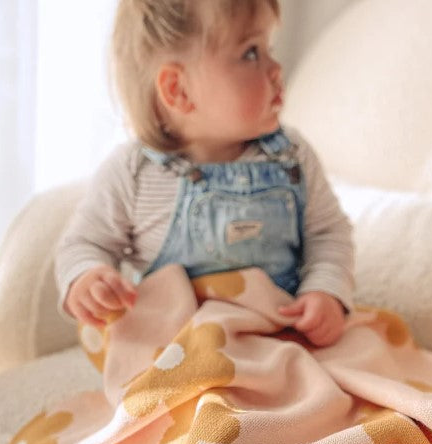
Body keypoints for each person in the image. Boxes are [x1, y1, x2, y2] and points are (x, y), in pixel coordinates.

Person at [55, 0, 354, 347]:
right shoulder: (133, 174)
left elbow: (328, 233)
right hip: (177, 349)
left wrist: (325, 291)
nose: (276, 69)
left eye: (268, 49)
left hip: (278, 337)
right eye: (251, 53)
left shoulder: (290, 157)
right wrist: (88, 278)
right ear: (178, 90)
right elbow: (84, 243)